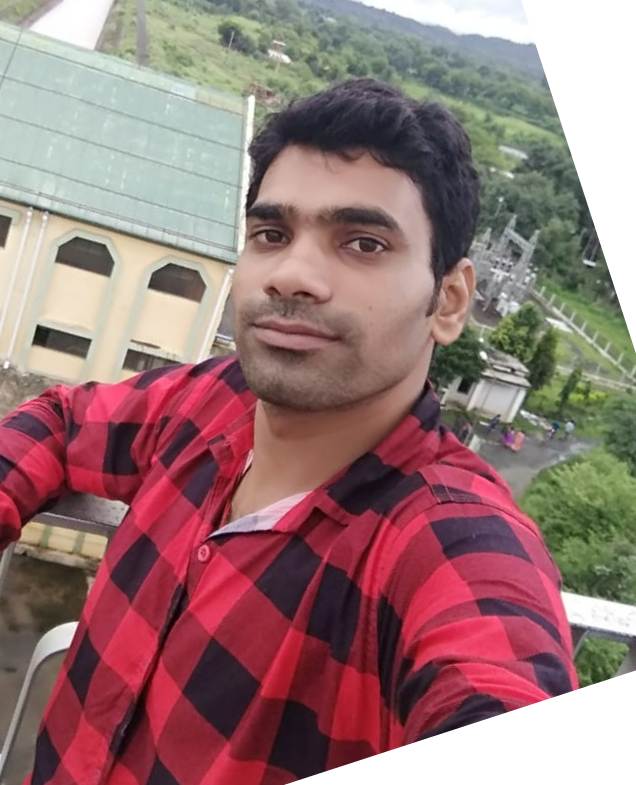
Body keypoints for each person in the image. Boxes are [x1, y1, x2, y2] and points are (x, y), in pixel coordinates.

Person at [0, 79, 576, 785]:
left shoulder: (444, 543)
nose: (294, 274)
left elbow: (500, 689)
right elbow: (61, 421)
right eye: (272, 235)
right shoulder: (209, 403)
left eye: (363, 243)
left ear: (448, 301)